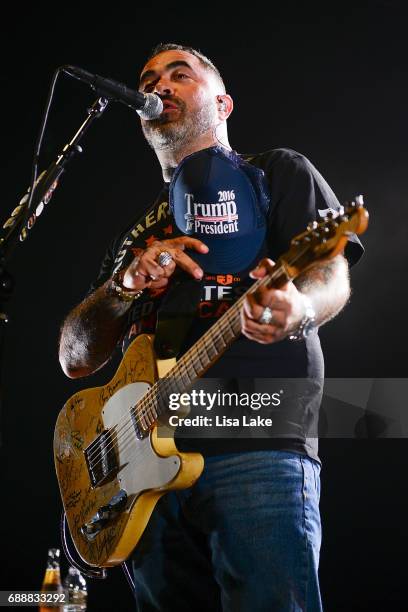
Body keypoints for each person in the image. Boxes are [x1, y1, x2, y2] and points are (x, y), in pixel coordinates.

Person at [59, 43, 363, 612]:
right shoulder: (137, 235)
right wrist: (124, 287)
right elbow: (75, 357)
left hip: (256, 439)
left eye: (181, 75)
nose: (161, 86)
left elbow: (331, 272)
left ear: (223, 104)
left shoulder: (276, 173)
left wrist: (299, 307)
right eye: (150, 79)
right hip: (144, 470)